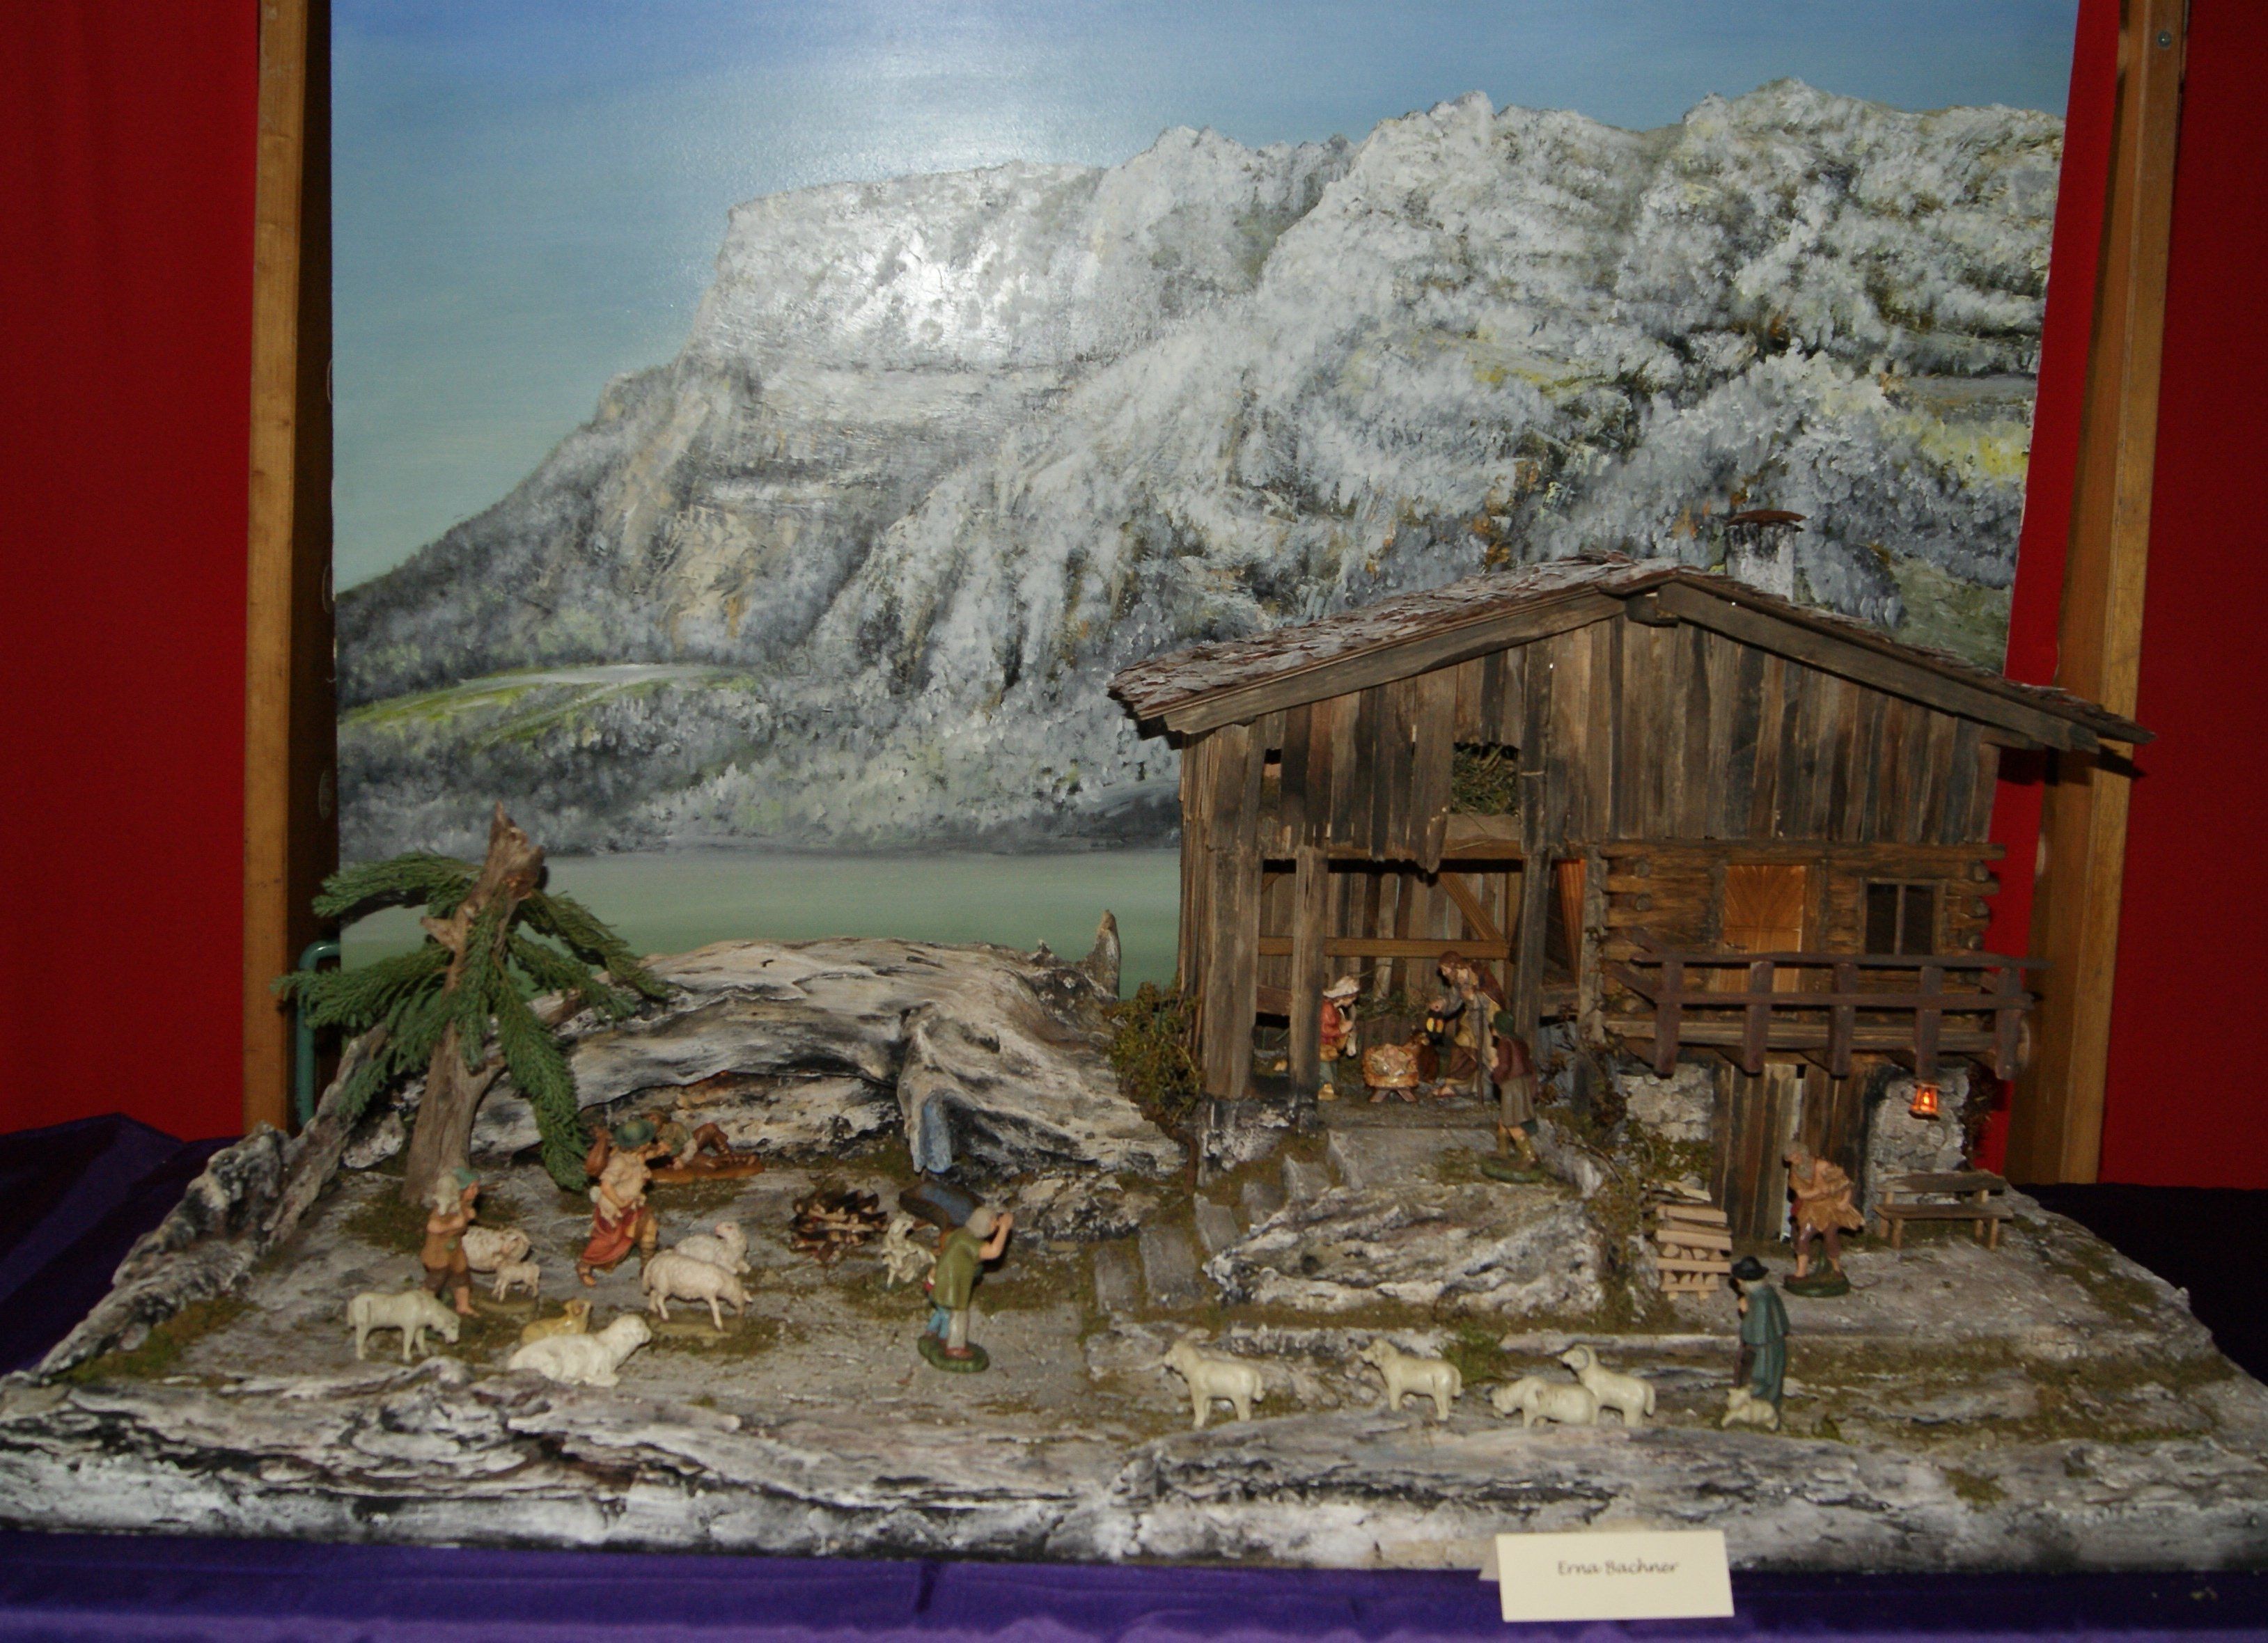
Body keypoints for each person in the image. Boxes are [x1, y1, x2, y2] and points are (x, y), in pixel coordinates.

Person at [924, 1204, 1013, 1363]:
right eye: (994, 1222)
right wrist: (1004, 1228)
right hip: (952, 1285)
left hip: (940, 1280)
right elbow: (994, 1251)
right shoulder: (970, 1243)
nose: (996, 1225)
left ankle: (931, 1332)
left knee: (942, 1309)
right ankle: (955, 1347)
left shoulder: (960, 1233)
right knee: (958, 1314)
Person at [577, 1119, 661, 1285]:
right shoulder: (619, 1162)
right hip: (614, 1209)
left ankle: (647, 1267)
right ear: (639, 1145)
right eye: (647, 1142)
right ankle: (585, 1265)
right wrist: (620, 1203)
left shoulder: (637, 1156)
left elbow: (647, 1158)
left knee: (649, 1228)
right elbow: (606, 1186)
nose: (650, 1144)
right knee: (609, 1240)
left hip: (634, 1204)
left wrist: (659, 1152)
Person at [1785, 1145, 1862, 1280]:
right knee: (1803, 1237)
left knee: (1830, 1236)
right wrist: (1817, 1191)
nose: (1795, 1160)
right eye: (1791, 1158)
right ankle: (1801, 1273)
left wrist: (1845, 1201)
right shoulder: (1796, 1172)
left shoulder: (1823, 1166)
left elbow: (1845, 1184)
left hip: (1831, 1208)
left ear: (1803, 1153)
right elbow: (1801, 1194)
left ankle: (1836, 1269)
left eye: (1796, 1156)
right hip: (1812, 1209)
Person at [1730, 1255, 1789, 1410]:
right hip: (1768, 1344)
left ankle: (1761, 1412)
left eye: (1739, 1280)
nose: (1738, 1283)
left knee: (1762, 1379)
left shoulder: (1760, 1300)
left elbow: (1759, 1330)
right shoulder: (1764, 1294)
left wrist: (1746, 1312)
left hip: (1765, 1347)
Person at [420, 1168, 480, 1317]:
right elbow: (432, 1227)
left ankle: (463, 1306)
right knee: (436, 1280)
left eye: (476, 1187)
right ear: (461, 1189)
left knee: (462, 1277)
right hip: (439, 1250)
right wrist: (452, 1226)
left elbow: (465, 1218)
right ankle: (422, 1308)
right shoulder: (444, 1207)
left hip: (455, 1249)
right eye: (472, 1188)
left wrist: (468, 1215)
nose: (476, 1192)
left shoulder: (461, 1206)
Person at [1317, 976, 1361, 1101]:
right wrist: (1341, 1030)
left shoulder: (1337, 1010)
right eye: (1352, 998)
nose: (1352, 1001)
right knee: (1324, 1071)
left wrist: (1345, 1031)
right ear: (1345, 996)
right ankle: (1322, 1089)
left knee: (1332, 1069)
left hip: (1331, 1047)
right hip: (1322, 1046)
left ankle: (1331, 1088)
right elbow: (1323, 1030)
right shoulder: (1327, 1008)